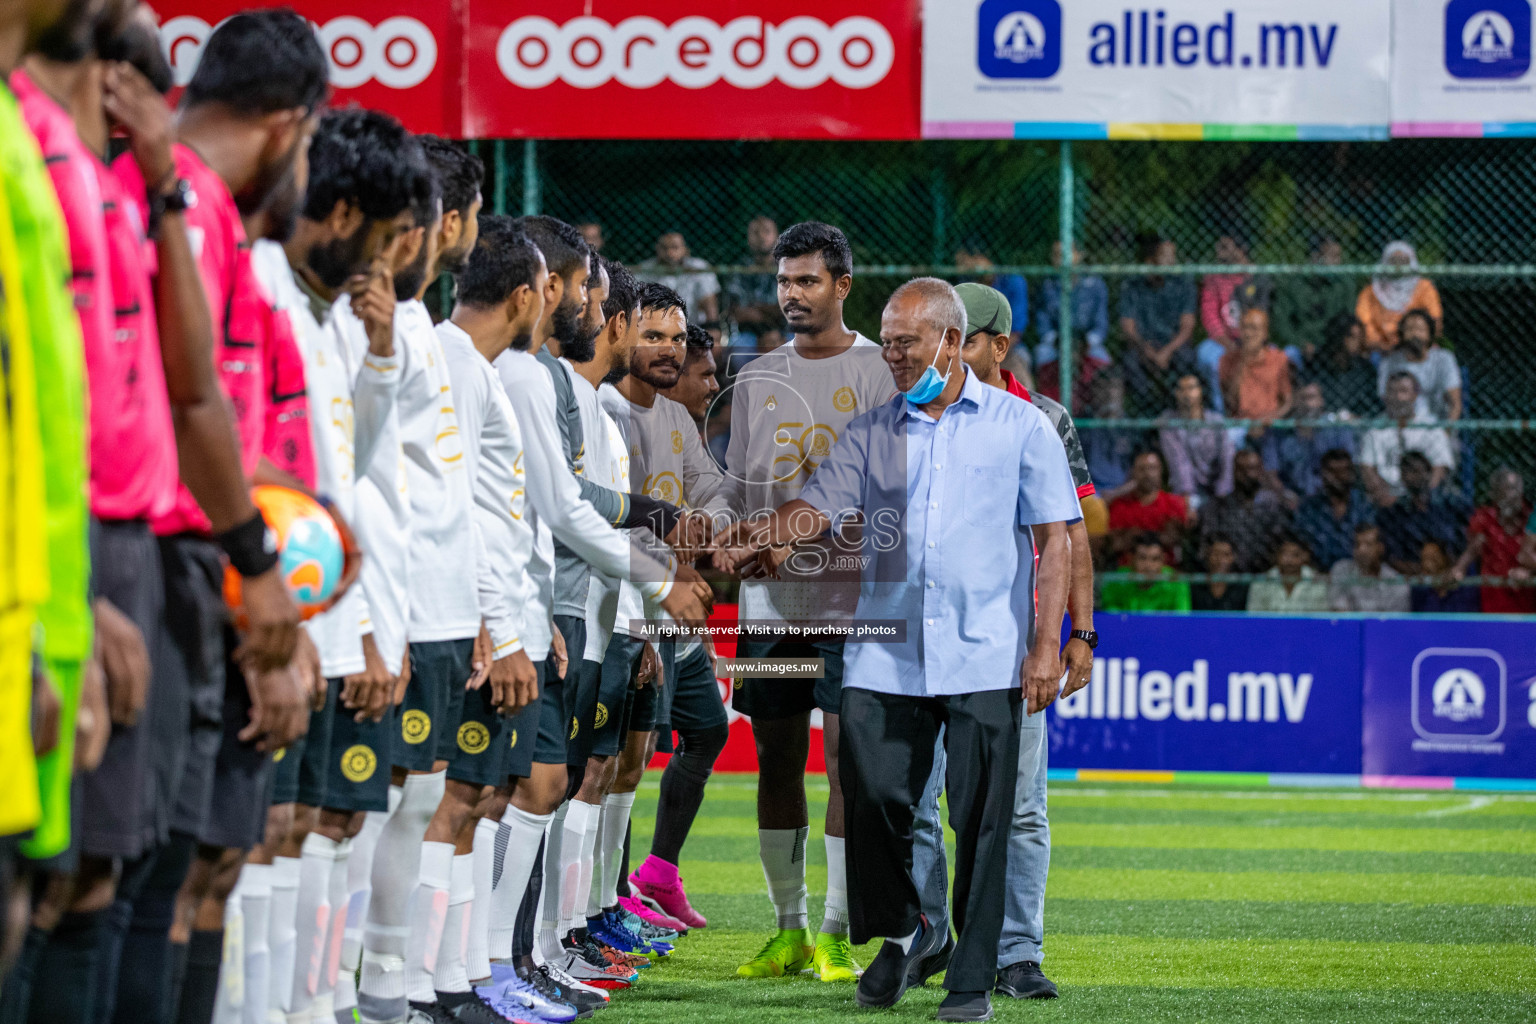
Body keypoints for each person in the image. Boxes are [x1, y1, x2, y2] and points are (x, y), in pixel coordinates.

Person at [712, 277, 1078, 1023]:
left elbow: (1056, 536)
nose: (894, 356)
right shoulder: (873, 429)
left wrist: (1051, 645)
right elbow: (818, 509)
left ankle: (971, 980)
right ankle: (908, 927)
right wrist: (764, 535)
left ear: (950, 341)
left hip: (986, 657)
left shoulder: (1022, 426)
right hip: (885, 656)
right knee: (877, 799)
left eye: (906, 343)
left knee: (980, 822)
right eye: (889, 341)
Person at [108, 11, 323, 1020]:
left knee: (163, 871)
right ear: (288, 124)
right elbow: (194, 413)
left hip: (186, 566)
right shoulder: (183, 202)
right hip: (161, 561)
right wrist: (259, 591)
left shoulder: (196, 209)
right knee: (132, 876)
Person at [252, 106, 432, 1024]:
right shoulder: (258, 284)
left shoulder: (334, 314)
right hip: (259, 613)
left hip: (320, 615)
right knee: (254, 839)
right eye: (392, 238)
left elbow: (344, 469)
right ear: (345, 210)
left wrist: (382, 355)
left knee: (288, 831)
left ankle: (302, 1006)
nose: (393, 261)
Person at [714, 221, 892, 984]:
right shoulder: (755, 376)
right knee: (776, 761)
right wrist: (728, 538)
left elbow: (892, 500)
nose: (791, 294)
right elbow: (743, 489)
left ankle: (835, 933)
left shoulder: (883, 371)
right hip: (771, 608)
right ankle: (787, 928)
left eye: (808, 281)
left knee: (849, 766)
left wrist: (800, 541)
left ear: (842, 285)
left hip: (854, 606)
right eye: (784, 282)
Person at [945, 281, 1099, 1001]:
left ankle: (1018, 952)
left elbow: (1072, 535)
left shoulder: (1042, 418)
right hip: (930, 641)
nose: (949, 352)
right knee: (920, 803)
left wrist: (1079, 634)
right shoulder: (918, 409)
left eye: (964, 338)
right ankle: (928, 938)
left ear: (999, 346)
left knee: (1026, 804)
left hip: (1017, 646)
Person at [602, 285, 733, 945]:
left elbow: (711, 491)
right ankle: (604, 903)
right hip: (625, 612)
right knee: (610, 761)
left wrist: (708, 528)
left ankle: (632, 888)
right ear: (622, 331)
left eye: (677, 340)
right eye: (654, 336)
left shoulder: (675, 421)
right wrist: (669, 572)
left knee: (680, 741)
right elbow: (598, 521)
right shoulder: (605, 412)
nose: (670, 351)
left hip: (667, 617)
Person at [1117, 235, 1197, 412]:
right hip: (1143, 345)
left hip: (1173, 345)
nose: (1172, 261)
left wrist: (1166, 352)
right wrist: (1146, 350)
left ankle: (1175, 412)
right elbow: (1128, 327)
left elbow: (1187, 327)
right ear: (1150, 260)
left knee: (1188, 360)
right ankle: (1146, 416)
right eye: (1165, 256)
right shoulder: (1133, 285)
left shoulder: (1183, 284)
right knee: (1130, 363)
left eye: (1173, 256)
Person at [1359, 374, 1456, 504]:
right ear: (1385, 397)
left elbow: (1440, 469)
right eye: (1392, 392)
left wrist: (1421, 498)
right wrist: (1385, 497)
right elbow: (1367, 470)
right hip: (1387, 500)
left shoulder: (1432, 429)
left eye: (1403, 391)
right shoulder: (1374, 431)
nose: (1397, 398)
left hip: (1423, 498)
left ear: (1415, 395)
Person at [1032, 241, 1110, 403]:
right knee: (1042, 354)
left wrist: (1087, 341)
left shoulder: (1095, 285)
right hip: (1055, 343)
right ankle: (1050, 410)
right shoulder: (1047, 285)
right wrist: (1055, 340)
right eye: (1056, 255)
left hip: (1087, 343)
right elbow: (1043, 323)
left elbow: (1101, 324)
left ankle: (1095, 410)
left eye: (1065, 254)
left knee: (1103, 360)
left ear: (1079, 255)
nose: (1060, 259)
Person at [1454, 468, 1535, 614]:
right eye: (1509, 489)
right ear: (1495, 494)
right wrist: (1459, 568)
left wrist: (1530, 572)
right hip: (1494, 597)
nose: (1514, 495)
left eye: (1517, 489)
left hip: (1526, 598)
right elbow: (1474, 547)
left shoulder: (1530, 518)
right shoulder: (1484, 518)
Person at [1198, 234, 1270, 398]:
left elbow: (1264, 314)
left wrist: (1250, 344)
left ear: (1240, 249)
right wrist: (1229, 345)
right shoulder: (1213, 279)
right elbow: (1210, 318)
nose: (1219, 252)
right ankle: (1222, 417)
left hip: (1254, 340)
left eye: (1225, 247)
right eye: (1218, 246)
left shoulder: (1257, 278)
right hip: (1223, 341)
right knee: (1212, 359)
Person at [1377, 452, 1470, 576]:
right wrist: (1422, 573)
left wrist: (1454, 569)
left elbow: (1466, 538)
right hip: (1414, 576)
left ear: (1429, 473)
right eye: (1408, 472)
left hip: (1451, 571)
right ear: (1403, 477)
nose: (1415, 476)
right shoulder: (1397, 512)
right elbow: (1393, 556)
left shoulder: (1449, 504)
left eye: (1418, 470)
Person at [1198, 450, 1291, 574]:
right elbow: (1208, 545)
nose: (1246, 474)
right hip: (1228, 574)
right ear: (1234, 472)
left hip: (1265, 574)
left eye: (1251, 469)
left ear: (1261, 472)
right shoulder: (1218, 507)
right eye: (1241, 470)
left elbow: (1280, 545)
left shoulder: (1274, 507)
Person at [1270, 237, 1356, 366]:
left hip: (1333, 345)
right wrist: (1300, 343)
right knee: (1288, 353)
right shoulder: (1293, 284)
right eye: (1332, 256)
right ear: (1315, 257)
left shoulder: (1345, 285)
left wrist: (1335, 344)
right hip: (1302, 345)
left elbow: (1349, 320)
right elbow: (1281, 323)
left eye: (1338, 257)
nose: (1337, 262)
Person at [1294, 450, 1377, 572]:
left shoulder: (1364, 505)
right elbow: (1300, 545)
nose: (1339, 477)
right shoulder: (1309, 507)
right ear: (1323, 474)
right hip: (1317, 573)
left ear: (1352, 474)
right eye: (1333, 472)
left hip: (1356, 574)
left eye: (1344, 471)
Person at [1159, 373, 1234, 501]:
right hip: (1186, 490)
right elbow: (1178, 462)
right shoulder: (1170, 423)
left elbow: (1226, 457)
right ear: (1176, 393)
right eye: (1182, 389)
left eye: (1191, 388)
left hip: (1215, 484)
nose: (1186, 393)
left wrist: (1223, 492)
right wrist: (1188, 496)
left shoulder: (1216, 421)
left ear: (1200, 391)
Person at [1356, 241, 1442, 352]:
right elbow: (1364, 323)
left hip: (1418, 345)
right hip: (1381, 349)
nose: (1398, 266)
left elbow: (1435, 320)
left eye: (1403, 261)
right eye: (1393, 261)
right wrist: (1382, 345)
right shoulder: (1371, 291)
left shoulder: (1424, 288)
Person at [1377, 309, 1462, 421]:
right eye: (1410, 329)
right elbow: (1385, 399)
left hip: (1437, 426)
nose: (1415, 334)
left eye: (1420, 329)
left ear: (1429, 334)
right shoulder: (1389, 363)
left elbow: (1455, 404)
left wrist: (1445, 435)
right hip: (1398, 424)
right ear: (1402, 334)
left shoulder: (1444, 359)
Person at [1107, 450, 1188, 565]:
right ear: (1133, 472)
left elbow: (1175, 539)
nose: (1147, 474)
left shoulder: (1174, 503)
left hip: (1166, 572)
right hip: (1127, 573)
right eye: (1142, 469)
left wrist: (1134, 535)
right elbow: (1115, 545)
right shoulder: (1120, 506)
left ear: (1161, 471)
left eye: (1152, 468)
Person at [1218, 308, 1291, 422]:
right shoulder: (1228, 360)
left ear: (1265, 333)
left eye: (1254, 328)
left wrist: (1271, 419)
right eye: (1244, 327)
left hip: (1270, 424)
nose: (1248, 333)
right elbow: (1229, 402)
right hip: (1240, 423)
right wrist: (1243, 362)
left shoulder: (1279, 359)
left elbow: (1288, 401)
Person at [1079, 369, 1143, 498]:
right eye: (1102, 387)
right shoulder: (1082, 425)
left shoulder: (1132, 426)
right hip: (1091, 494)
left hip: (1126, 491)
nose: (1109, 393)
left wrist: (1117, 493)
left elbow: (1141, 467)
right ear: (1094, 391)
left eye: (1114, 387)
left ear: (1122, 391)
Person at [721, 214, 781, 347]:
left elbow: (787, 312)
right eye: (755, 232)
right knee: (739, 351)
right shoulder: (739, 269)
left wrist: (755, 309)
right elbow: (736, 313)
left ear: (777, 236)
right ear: (748, 238)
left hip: (783, 332)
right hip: (746, 333)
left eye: (766, 231)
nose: (761, 237)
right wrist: (770, 312)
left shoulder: (788, 268)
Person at [638, 230, 719, 323]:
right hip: (655, 325)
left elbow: (709, 300)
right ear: (657, 248)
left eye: (675, 247)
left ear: (685, 249)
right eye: (664, 248)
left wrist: (713, 325)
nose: (670, 253)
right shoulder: (645, 270)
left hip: (692, 325)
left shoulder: (699, 267)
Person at [1328, 525, 1410, 612]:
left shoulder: (1396, 583)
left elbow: (1393, 621)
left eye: (1368, 544)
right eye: (1357, 545)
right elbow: (1339, 611)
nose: (1361, 550)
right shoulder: (1341, 570)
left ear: (1380, 548)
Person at [1101, 535, 1191, 612]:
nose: (1148, 566)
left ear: (1163, 560)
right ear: (1131, 559)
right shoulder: (1116, 582)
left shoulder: (1176, 583)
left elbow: (1181, 621)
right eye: (1142, 558)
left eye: (1155, 559)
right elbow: (1112, 619)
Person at [1314, 313, 1380, 417]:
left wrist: (1357, 418)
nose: (1358, 342)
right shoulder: (1317, 366)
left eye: (1360, 337)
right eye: (1352, 337)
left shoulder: (1366, 370)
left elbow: (1375, 407)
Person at [1245, 535, 1329, 612]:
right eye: (1285, 555)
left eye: (1295, 555)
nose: (1289, 561)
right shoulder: (1261, 583)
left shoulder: (1317, 583)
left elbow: (1320, 617)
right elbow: (1254, 616)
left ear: (1305, 556)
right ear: (1277, 556)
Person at [1412, 541, 1480, 613]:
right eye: (1425, 558)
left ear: (1445, 558)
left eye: (1434, 558)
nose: (1428, 564)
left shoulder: (1464, 588)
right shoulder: (1420, 591)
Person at [1190, 535, 1248, 611]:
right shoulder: (1196, 586)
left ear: (1233, 558)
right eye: (1216, 554)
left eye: (1226, 555)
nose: (1220, 560)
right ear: (1208, 556)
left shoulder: (1241, 587)